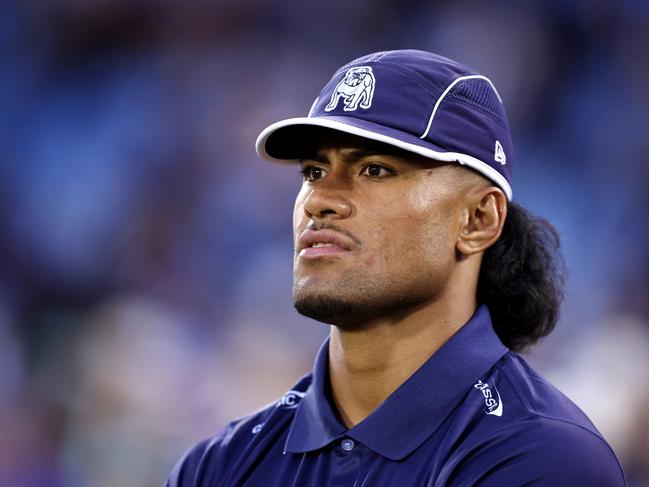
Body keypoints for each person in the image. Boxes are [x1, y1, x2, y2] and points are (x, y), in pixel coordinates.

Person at [165, 50, 625, 486]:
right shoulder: (218, 466)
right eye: (313, 171)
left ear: (478, 220)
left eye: (375, 170)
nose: (320, 201)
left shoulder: (541, 458)